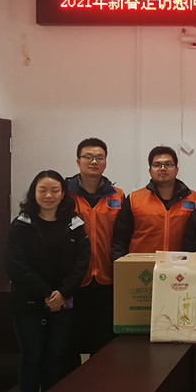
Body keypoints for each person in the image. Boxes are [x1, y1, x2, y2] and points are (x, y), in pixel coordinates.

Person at [6, 170, 90, 392]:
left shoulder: (74, 224)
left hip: (64, 303)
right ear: (34, 193)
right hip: (29, 304)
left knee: (56, 358)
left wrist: (62, 293)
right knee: (32, 358)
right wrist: (46, 293)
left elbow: (81, 263)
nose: (48, 195)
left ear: (63, 194)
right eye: (42, 190)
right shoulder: (20, 226)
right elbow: (15, 265)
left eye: (55, 190)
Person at [66, 137, 123, 356]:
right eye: (88, 157)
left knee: (104, 342)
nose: (93, 162)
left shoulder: (118, 196)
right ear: (78, 161)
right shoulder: (64, 195)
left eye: (99, 157)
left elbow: (122, 235)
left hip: (107, 278)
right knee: (70, 341)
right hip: (73, 279)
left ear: (105, 163)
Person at [111, 145, 196, 259]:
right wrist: (121, 265)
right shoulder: (134, 199)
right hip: (142, 266)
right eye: (157, 165)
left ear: (176, 170)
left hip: (181, 266)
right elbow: (120, 240)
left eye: (168, 164)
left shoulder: (195, 200)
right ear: (150, 171)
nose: (163, 168)